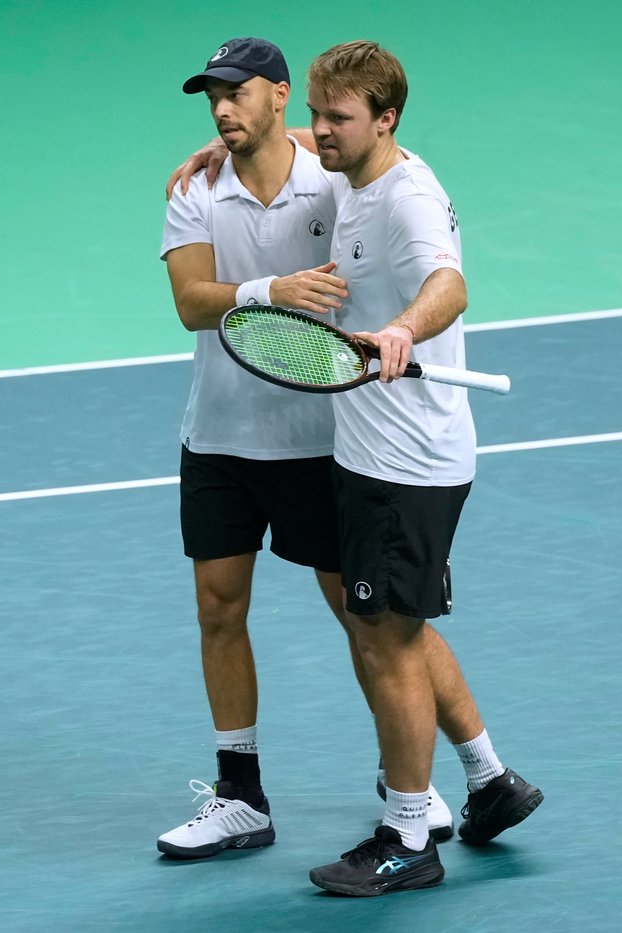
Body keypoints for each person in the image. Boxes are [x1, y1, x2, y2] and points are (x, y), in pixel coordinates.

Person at [155, 36, 458, 860]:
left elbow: (395, 167)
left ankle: (419, 786)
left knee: (370, 624)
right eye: (211, 98)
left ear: (279, 96)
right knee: (219, 609)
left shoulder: (334, 169)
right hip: (219, 436)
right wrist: (271, 291)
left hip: (321, 440)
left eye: (238, 94)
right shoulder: (195, 188)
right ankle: (241, 795)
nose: (222, 109)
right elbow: (190, 302)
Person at [294, 40, 544, 897]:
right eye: (318, 114)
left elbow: (450, 283)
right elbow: (295, 142)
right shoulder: (350, 167)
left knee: (387, 640)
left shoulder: (408, 199)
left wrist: (404, 326)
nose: (321, 131)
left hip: (406, 465)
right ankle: (489, 779)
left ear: (386, 121)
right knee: (396, 625)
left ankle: (408, 833)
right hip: (371, 456)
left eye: (339, 118)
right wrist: (232, 145)